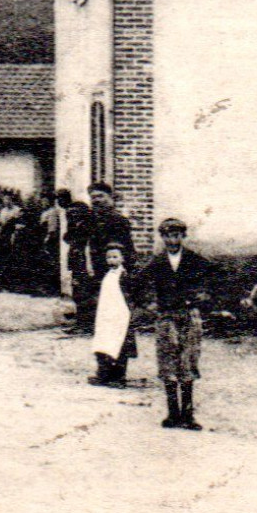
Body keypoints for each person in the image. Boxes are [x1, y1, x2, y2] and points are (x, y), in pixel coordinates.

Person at [132, 218, 212, 431]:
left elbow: (216, 277)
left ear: (183, 236)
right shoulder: (157, 262)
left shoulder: (195, 260)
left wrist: (203, 297)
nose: (172, 239)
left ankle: (188, 415)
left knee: (188, 359)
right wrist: (149, 304)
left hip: (189, 315)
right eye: (167, 235)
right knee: (168, 360)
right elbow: (136, 284)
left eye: (176, 235)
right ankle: (172, 413)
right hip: (166, 316)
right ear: (162, 237)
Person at [66, 182, 133, 335]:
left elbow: (127, 247)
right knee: (84, 292)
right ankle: (84, 324)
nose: (96, 200)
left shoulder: (118, 220)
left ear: (110, 197)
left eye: (100, 196)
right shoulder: (89, 219)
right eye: (93, 197)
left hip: (109, 263)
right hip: (90, 262)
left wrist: (124, 265)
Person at [88, 245, 137, 386]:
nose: (111, 260)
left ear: (122, 259)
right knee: (103, 344)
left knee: (119, 345)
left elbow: (130, 296)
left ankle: (119, 378)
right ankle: (103, 375)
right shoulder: (107, 276)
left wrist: (129, 312)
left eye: (115, 257)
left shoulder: (124, 276)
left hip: (119, 316)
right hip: (106, 316)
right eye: (108, 257)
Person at [0, 194, 22, 292]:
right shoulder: (3, 211)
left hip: (11, 237)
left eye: (8, 199)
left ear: (12, 200)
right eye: (4, 200)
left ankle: (8, 285)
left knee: (9, 260)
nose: (6, 202)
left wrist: (14, 235)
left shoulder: (17, 211)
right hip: (2, 237)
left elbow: (19, 225)